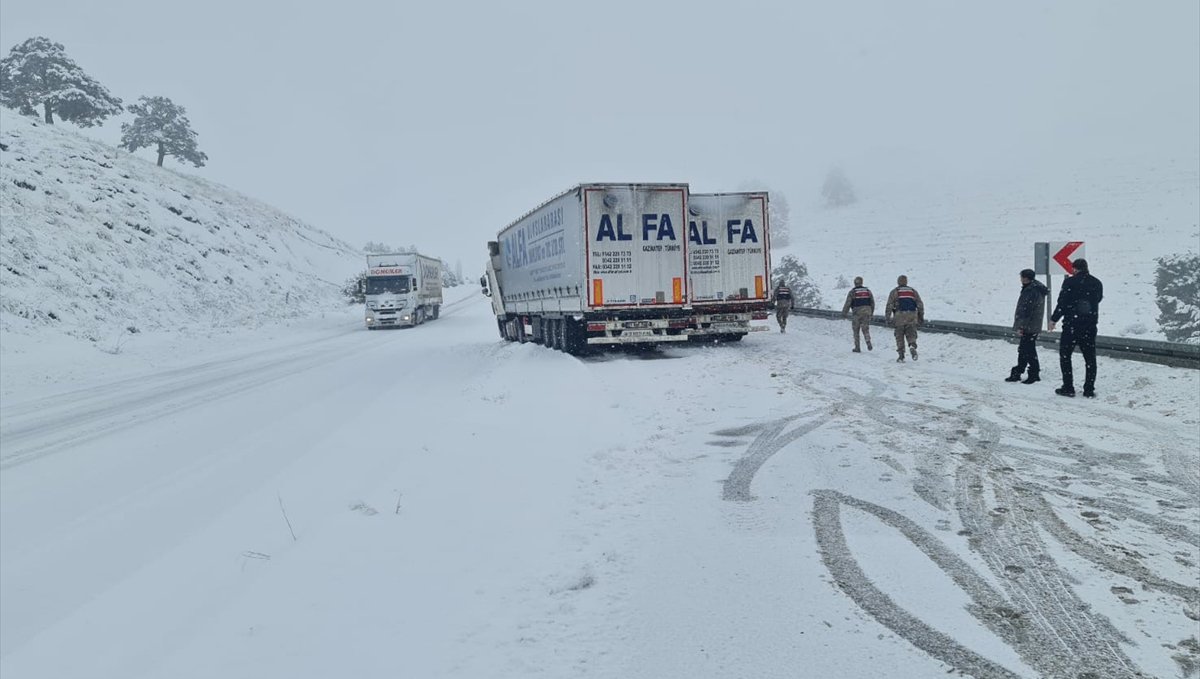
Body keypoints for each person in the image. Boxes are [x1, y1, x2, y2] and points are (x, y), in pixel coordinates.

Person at [1049, 258, 1103, 397]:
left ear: (1074, 269)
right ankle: (1089, 389)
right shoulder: (1096, 282)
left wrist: (1054, 319)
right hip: (1089, 326)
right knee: (1090, 358)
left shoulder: (1069, 282)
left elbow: (1062, 303)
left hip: (1071, 326)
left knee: (1065, 356)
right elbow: (1097, 299)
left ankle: (1068, 387)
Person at [1006, 269, 1048, 384]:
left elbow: (1027, 310)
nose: (1020, 279)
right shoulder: (1035, 288)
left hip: (1029, 325)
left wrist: (1022, 326)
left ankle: (1032, 373)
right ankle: (1020, 371)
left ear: (1026, 278)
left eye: (1021, 277)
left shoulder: (1031, 290)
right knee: (1025, 349)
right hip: (1033, 324)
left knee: (1028, 349)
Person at [885, 275, 924, 362]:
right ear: (906, 282)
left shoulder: (894, 291)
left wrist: (888, 318)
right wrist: (921, 316)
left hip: (899, 316)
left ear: (898, 282)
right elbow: (920, 304)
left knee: (899, 335)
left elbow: (889, 306)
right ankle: (912, 346)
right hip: (912, 315)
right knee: (911, 333)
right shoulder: (913, 291)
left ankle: (901, 356)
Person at [841, 276, 875, 352]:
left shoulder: (853, 292)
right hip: (866, 312)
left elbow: (848, 303)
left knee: (856, 330)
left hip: (857, 312)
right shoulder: (867, 291)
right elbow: (872, 303)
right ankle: (868, 341)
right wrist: (871, 312)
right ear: (862, 282)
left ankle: (857, 347)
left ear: (855, 283)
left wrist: (844, 313)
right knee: (865, 329)